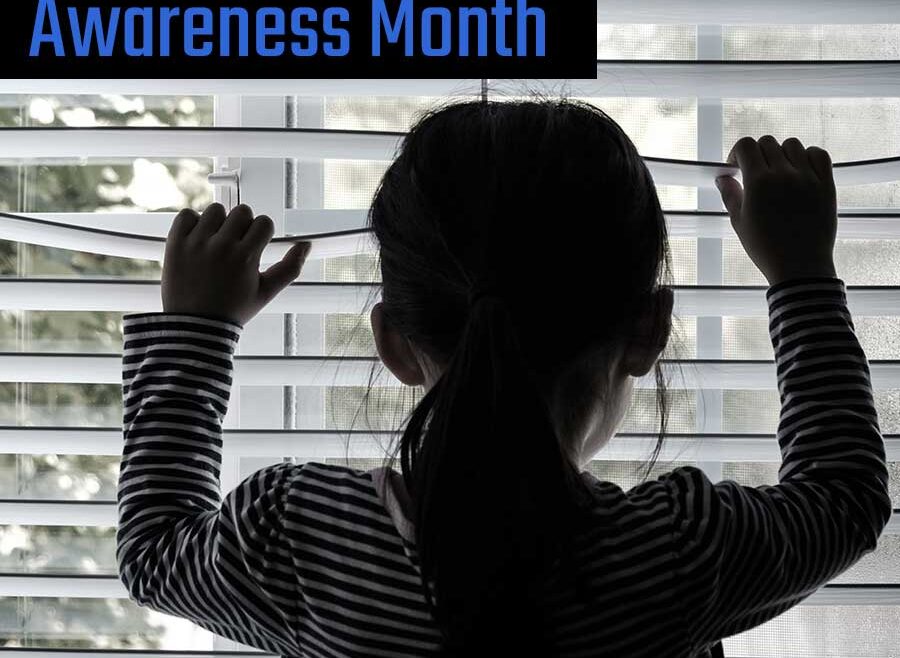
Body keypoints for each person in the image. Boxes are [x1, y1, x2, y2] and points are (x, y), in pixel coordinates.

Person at [117, 100, 891, 657]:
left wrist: (194, 331)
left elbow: (153, 553)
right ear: (651, 328)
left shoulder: (299, 537)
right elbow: (844, 498)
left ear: (393, 341)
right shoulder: (674, 556)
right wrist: (801, 275)